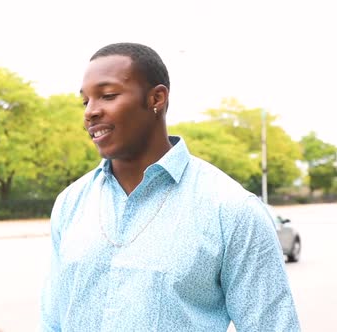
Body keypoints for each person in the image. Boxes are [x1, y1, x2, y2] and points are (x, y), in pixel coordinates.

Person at [40, 43, 300, 331]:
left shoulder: (232, 209)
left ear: (157, 98)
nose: (90, 112)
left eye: (108, 95)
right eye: (85, 101)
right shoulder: (70, 203)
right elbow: (52, 322)